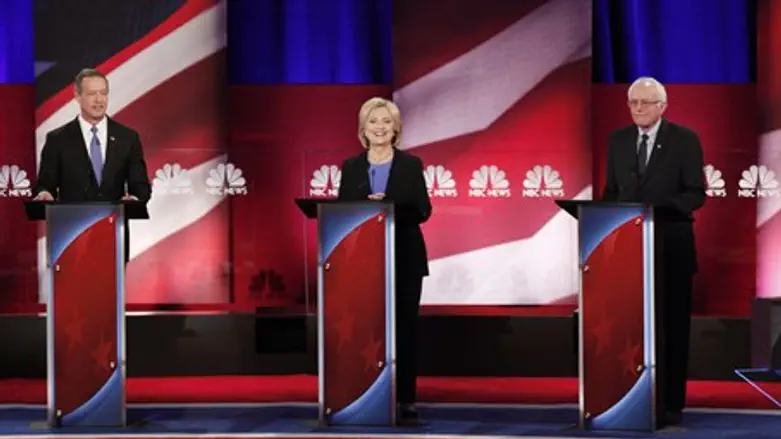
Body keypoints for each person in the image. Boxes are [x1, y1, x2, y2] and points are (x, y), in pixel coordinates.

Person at [602, 76, 706, 426]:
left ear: (663, 106)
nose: (638, 108)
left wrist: (656, 208)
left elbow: (696, 194)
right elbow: (610, 192)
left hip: (671, 248)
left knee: (672, 327)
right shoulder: (617, 141)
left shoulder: (684, 140)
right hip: (628, 252)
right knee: (628, 327)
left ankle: (672, 402)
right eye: (633, 102)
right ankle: (626, 397)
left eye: (645, 102)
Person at [337, 97, 432, 423]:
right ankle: (363, 396)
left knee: (404, 330)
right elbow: (341, 214)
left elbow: (423, 210)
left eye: (386, 122)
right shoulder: (350, 167)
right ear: (363, 129)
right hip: (362, 261)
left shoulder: (410, 165)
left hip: (404, 257)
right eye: (373, 122)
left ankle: (406, 399)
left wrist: (388, 205)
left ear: (395, 129)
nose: (380, 128)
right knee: (366, 330)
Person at [33, 68, 152, 261]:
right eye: (92, 94)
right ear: (77, 96)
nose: (99, 100)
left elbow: (140, 184)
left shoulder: (127, 138)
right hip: (70, 240)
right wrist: (44, 193)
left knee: (110, 291)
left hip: (113, 237)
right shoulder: (58, 139)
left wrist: (135, 198)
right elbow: (45, 183)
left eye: (103, 93)